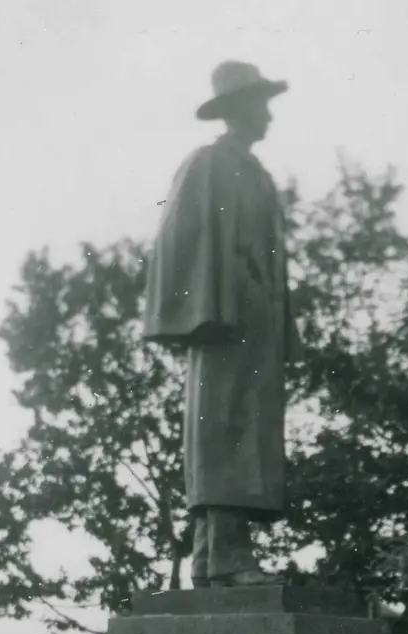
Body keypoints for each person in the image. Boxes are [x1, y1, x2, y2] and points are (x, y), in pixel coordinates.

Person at [143, 61, 303, 587]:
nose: (271, 117)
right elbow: (175, 235)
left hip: (258, 318)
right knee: (222, 429)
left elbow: (277, 261)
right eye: (262, 105)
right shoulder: (206, 163)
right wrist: (204, 303)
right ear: (240, 109)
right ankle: (224, 558)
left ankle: (215, 557)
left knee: (249, 431)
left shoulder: (260, 177)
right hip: (222, 315)